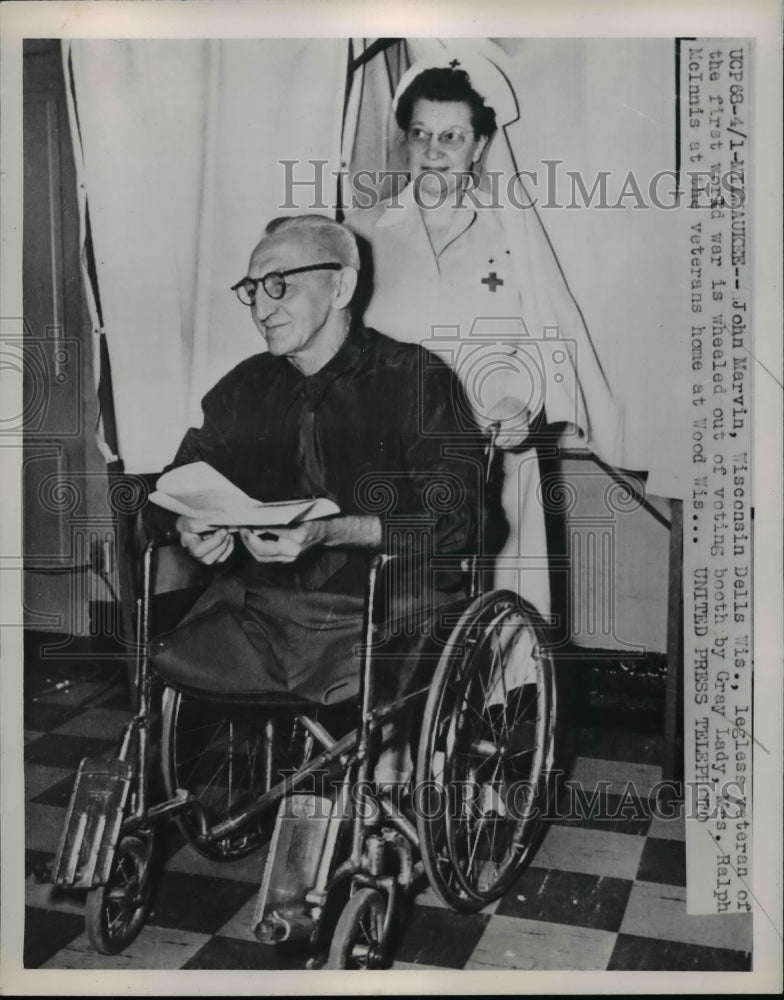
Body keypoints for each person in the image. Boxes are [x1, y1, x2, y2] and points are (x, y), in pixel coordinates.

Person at [147, 214, 482, 706]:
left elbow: (462, 521)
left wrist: (332, 530)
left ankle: (393, 765)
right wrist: (186, 524)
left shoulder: (413, 377)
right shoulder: (246, 387)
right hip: (266, 610)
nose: (262, 308)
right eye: (253, 288)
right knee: (166, 644)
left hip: (386, 611)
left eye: (280, 285)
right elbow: (173, 485)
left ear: (341, 286)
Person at [346, 52, 624, 623]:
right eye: (419, 134)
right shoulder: (363, 229)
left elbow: (544, 337)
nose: (432, 151)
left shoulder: (507, 230)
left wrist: (524, 404)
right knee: (395, 618)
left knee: (493, 622)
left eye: (451, 136)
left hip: (493, 439)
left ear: (479, 146)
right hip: (396, 455)